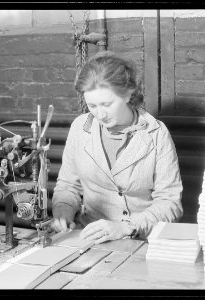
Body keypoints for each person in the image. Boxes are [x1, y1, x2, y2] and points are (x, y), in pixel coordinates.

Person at [50, 51, 183, 244]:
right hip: (91, 239)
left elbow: (170, 203)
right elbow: (68, 185)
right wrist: (63, 210)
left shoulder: (156, 134)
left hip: (141, 240)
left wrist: (126, 227)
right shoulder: (80, 128)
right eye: (92, 106)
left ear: (129, 94)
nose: (100, 115)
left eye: (106, 104)